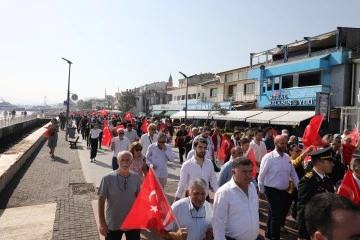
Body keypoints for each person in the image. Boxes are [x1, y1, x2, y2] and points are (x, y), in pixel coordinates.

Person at [258, 135, 299, 240]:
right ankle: (274, 237)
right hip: (270, 190)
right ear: (276, 144)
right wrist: (261, 190)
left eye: (286, 143)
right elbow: (261, 175)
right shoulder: (268, 157)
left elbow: (293, 174)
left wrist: (299, 187)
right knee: (277, 214)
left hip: (282, 191)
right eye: (282, 143)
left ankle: (268, 234)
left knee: (273, 213)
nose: (284, 145)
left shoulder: (287, 158)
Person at [212, 157, 259, 240]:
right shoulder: (224, 192)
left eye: (250, 171)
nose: (249, 175)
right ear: (233, 172)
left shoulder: (252, 187)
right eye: (244, 172)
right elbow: (218, 223)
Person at [98, 151, 141, 240]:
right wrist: (102, 223)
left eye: (127, 160)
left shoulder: (136, 177)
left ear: (131, 161)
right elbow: (101, 201)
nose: (125, 162)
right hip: (114, 223)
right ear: (118, 161)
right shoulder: (107, 178)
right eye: (122, 160)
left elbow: (139, 198)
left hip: (132, 222)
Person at [297, 146, 336, 240]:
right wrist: (302, 234)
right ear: (319, 163)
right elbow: (303, 208)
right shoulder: (308, 181)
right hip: (314, 227)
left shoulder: (326, 179)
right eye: (329, 162)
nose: (333, 164)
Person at [281, 144, 312, 230]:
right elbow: (296, 163)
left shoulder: (300, 161)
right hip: (291, 189)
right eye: (297, 151)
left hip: (299, 188)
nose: (299, 152)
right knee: (285, 208)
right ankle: (281, 225)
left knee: (299, 206)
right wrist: (306, 152)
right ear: (290, 152)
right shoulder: (289, 160)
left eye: (299, 151)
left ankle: (298, 221)